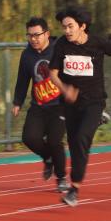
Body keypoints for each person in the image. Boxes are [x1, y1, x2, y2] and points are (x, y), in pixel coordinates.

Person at [48, 5, 111, 207]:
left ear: (82, 26)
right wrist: (65, 89)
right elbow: (53, 74)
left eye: (70, 26)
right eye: (64, 27)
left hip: (94, 101)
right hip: (71, 103)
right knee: (74, 143)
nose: (67, 31)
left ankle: (74, 189)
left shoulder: (98, 43)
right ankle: (97, 120)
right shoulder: (61, 45)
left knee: (82, 138)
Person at [12, 17, 68, 192]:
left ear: (47, 34)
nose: (33, 39)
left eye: (37, 35)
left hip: (60, 105)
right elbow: (22, 80)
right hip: (39, 106)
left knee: (54, 141)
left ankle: (61, 178)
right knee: (29, 138)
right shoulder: (27, 55)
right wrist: (17, 102)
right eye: (30, 35)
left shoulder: (60, 50)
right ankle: (48, 158)